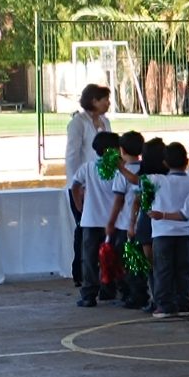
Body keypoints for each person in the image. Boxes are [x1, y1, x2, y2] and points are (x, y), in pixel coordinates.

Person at [123, 143, 189, 318]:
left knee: (162, 270)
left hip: (163, 233)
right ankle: (183, 302)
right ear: (186, 161)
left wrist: (120, 167)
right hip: (186, 233)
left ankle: (164, 305)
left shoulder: (156, 180)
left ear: (165, 163)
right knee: (184, 269)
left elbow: (134, 180)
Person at [65, 83, 111, 286]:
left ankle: (103, 271)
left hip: (103, 182)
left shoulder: (105, 121)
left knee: (102, 228)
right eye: (104, 100)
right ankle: (81, 273)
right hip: (83, 183)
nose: (108, 103)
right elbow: (72, 155)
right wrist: (77, 183)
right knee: (84, 229)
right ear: (94, 101)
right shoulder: (78, 123)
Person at [71, 131, 120, 308]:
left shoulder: (88, 167)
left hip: (91, 220)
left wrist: (79, 206)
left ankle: (89, 294)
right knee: (112, 257)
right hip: (113, 220)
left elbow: (75, 185)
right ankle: (109, 289)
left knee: (90, 259)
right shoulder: (118, 170)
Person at [105, 130, 145, 305]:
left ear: (121, 150)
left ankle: (133, 295)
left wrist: (111, 222)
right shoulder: (146, 168)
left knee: (128, 262)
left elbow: (118, 200)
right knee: (140, 262)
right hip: (143, 223)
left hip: (125, 224)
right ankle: (140, 293)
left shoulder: (123, 172)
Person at [129, 138, 167, 313]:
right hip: (151, 221)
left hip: (151, 221)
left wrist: (132, 224)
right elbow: (137, 200)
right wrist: (132, 223)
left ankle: (158, 298)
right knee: (155, 264)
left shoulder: (152, 178)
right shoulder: (150, 178)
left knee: (154, 264)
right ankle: (157, 297)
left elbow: (136, 192)